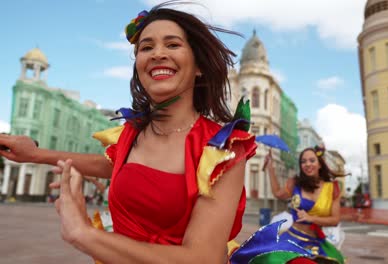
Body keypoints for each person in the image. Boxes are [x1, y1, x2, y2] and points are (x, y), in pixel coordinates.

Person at [0, 2, 256, 263]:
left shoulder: (223, 148)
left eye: (172, 44)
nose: (157, 53)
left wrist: (83, 234)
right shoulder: (132, 133)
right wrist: (34, 154)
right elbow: (111, 166)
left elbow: (202, 258)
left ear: (199, 65)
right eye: (146, 47)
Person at [230, 146, 345, 264]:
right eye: (303, 161)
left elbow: (335, 220)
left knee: (337, 261)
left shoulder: (332, 188)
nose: (307, 164)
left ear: (320, 164)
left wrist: (311, 218)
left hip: (316, 242)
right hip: (293, 238)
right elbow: (277, 193)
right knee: (270, 259)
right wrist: (270, 168)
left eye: (312, 160)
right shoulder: (295, 183)